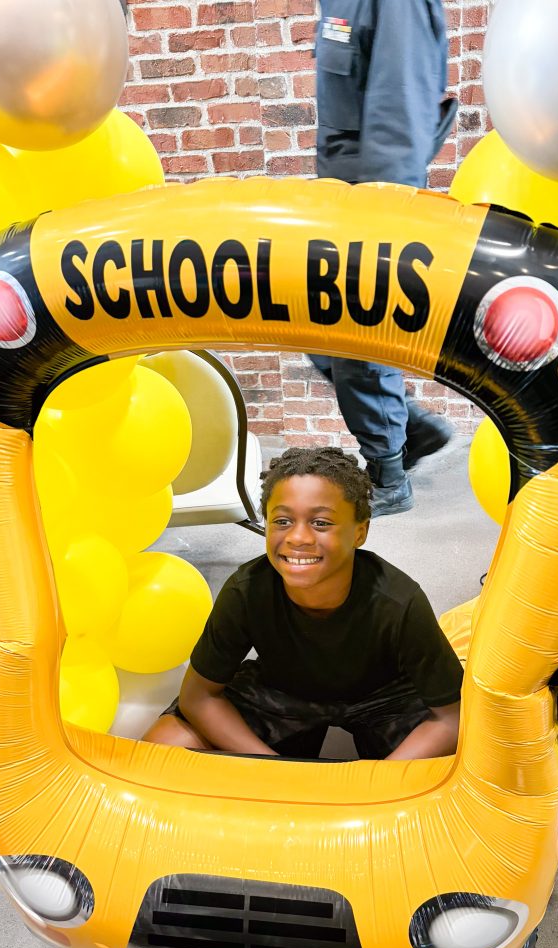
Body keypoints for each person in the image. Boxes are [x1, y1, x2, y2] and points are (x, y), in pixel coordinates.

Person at [143, 447, 462, 760]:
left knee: (473, 756)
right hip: (283, 690)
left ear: (359, 532)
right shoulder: (247, 589)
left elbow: (451, 717)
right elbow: (199, 697)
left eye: (321, 523)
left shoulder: (398, 600)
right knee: (164, 748)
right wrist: (271, 768)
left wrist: (380, 784)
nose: (298, 537)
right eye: (282, 521)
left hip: (384, 696)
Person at [310, 0, 458, 516]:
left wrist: (378, 226)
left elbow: (400, 117)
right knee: (315, 333)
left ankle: (388, 474)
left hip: (372, 199)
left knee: (356, 340)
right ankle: (408, 431)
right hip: (341, 195)